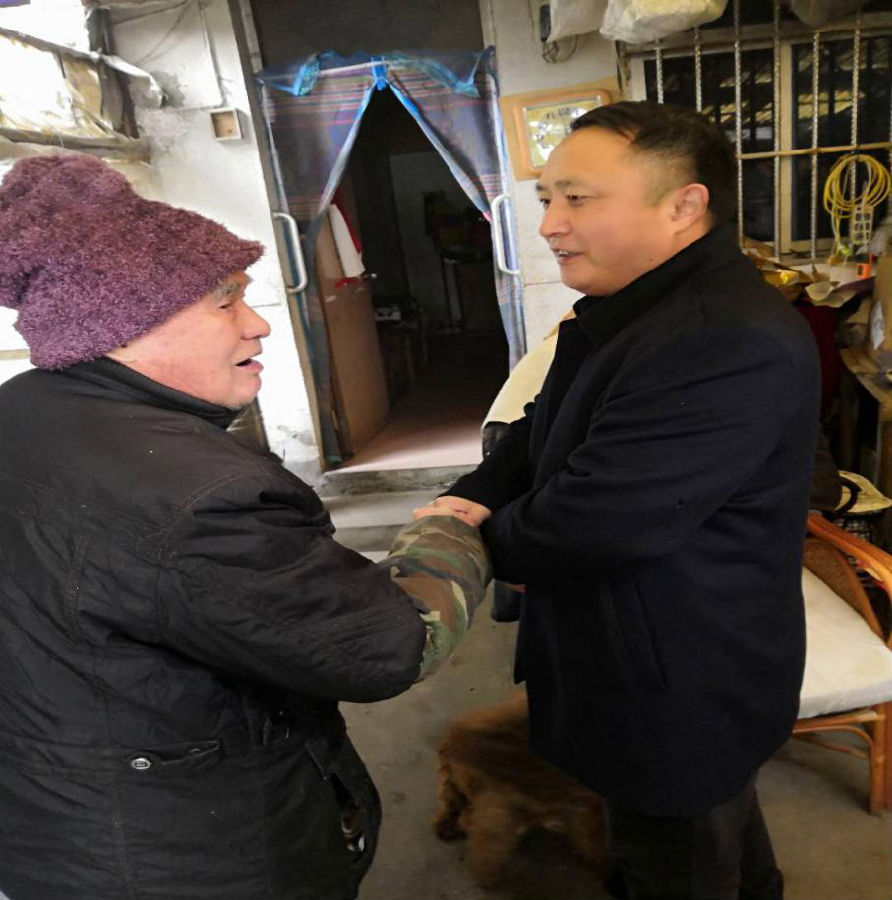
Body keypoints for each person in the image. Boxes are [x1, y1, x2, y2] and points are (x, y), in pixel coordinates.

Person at [0, 154, 490, 900]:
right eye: (226, 302)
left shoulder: (21, 411)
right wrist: (449, 530)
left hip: (51, 833)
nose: (258, 324)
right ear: (123, 324)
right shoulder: (199, 497)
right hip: (190, 862)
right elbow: (386, 649)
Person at [416, 101, 821, 899]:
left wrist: (468, 544)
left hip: (678, 677)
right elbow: (539, 431)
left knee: (679, 862)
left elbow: (593, 521)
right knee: (717, 838)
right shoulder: (633, 311)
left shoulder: (723, 337)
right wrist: (467, 499)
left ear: (684, 206)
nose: (551, 225)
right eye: (547, 199)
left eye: (578, 198)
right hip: (638, 653)